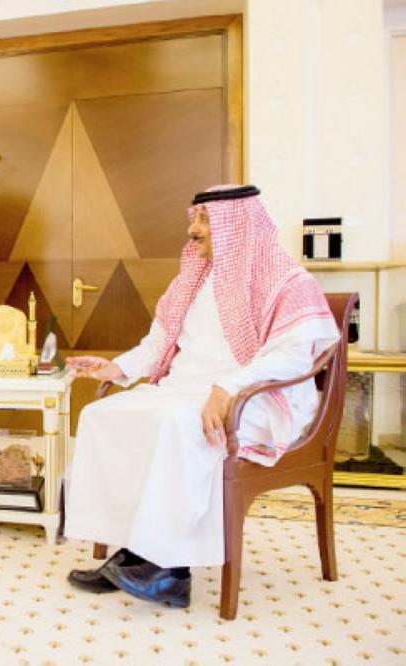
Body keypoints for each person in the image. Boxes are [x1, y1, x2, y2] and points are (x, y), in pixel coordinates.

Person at [63, 186, 339, 608]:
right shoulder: (190, 282)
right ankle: (133, 551)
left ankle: (170, 572)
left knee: (177, 423)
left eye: (206, 220)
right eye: (194, 218)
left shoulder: (286, 280)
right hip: (186, 389)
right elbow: (158, 345)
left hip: (257, 397)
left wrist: (229, 388)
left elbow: (293, 355)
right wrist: (116, 368)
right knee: (102, 415)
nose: (193, 230)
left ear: (238, 224)